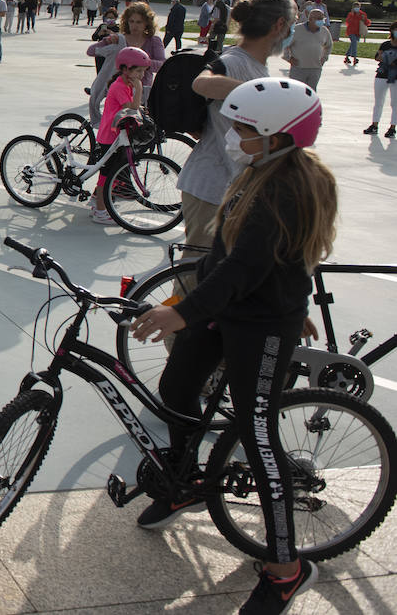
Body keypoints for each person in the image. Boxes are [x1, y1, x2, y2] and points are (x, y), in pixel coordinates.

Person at [132, 78, 332, 614]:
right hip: (228, 311)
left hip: (261, 325)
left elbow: (247, 267)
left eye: (244, 129)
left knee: (255, 431)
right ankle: (187, 482)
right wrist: (190, 303)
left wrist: (181, 312)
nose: (233, 136)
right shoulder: (258, 171)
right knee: (177, 387)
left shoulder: (287, 188)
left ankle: (286, 569)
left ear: (278, 137)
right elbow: (232, 257)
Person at [176, 0, 299, 293]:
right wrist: (255, 94)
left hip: (230, 190)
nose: (291, 32)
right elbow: (201, 83)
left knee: (219, 283)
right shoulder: (235, 61)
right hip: (211, 188)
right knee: (194, 284)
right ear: (279, 25)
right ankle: (168, 325)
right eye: (292, 24)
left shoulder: (257, 66)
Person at [89, 47, 149, 225]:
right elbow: (132, 108)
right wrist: (139, 90)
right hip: (110, 135)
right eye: (138, 71)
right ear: (125, 69)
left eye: (143, 72)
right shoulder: (119, 86)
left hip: (118, 134)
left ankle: (97, 201)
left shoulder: (126, 84)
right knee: (106, 174)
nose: (141, 75)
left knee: (112, 171)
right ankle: (100, 211)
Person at [87, 2, 166, 127]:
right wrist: (107, 41)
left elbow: (162, 64)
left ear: (147, 23)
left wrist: (142, 62)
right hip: (119, 90)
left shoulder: (153, 41)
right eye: (131, 21)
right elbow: (91, 51)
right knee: (117, 128)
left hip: (141, 91)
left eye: (139, 22)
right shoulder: (120, 39)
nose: (134, 26)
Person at [282, 6, 332, 91]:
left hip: (315, 69)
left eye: (322, 18)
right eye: (319, 18)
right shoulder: (297, 29)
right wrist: (288, 58)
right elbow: (284, 45)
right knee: (296, 91)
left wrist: (324, 58)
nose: (322, 20)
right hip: (299, 68)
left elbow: (329, 46)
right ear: (311, 19)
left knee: (311, 93)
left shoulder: (324, 31)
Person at [362, 24, 397, 137]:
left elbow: (386, 58)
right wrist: (386, 58)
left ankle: (392, 128)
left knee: (395, 103)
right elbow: (377, 57)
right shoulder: (385, 44)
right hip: (382, 75)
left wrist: (386, 58)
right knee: (378, 101)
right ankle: (374, 125)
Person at [342, 0, 371, 66]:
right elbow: (348, 22)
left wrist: (364, 19)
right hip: (351, 31)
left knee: (353, 44)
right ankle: (354, 58)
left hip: (358, 32)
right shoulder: (350, 14)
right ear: (353, 7)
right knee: (354, 43)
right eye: (355, 7)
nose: (356, 8)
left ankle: (347, 57)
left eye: (358, 7)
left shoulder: (362, 14)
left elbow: (367, 23)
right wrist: (352, 15)